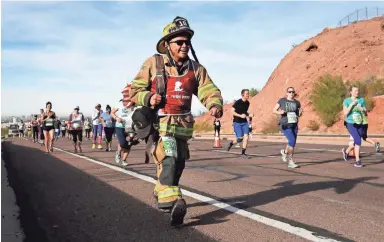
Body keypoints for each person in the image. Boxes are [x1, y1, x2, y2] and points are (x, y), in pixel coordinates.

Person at [128, 16, 223, 226]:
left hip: (183, 125)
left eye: (186, 42)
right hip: (159, 123)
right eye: (179, 42)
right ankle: (171, 202)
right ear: (167, 45)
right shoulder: (153, 63)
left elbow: (209, 89)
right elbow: (134, 91)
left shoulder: (196, 68)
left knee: (178, 163)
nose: (184, 45)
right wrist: (149, 98)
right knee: (169, 157)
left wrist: (215, 105)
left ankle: (162, 190)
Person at [273, 87, 302, 169]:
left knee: (292, 142)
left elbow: (298, 114)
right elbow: (274, 110)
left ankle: (285, 152)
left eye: (293, 92)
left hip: (294, 124)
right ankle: (290, 161)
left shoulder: (297, 102)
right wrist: (280, 112)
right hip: (285, 124)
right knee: (292, 141)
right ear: (287, 93)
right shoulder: (282, 100)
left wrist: (300, 113)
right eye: (289, 92)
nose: (291, 93)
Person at [341, 86, 367, 168]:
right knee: (358, 140)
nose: (357, 92)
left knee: (357, 141)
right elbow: (345, 113)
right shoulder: (347, 101)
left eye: (358, 91)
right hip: (350, 123)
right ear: (351, 92)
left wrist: (362, 109)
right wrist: (351, 105)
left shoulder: (361, 100)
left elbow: (366, 112)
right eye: (355, 91)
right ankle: (358, 161)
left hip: (359, 122)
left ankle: (346, 152)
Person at [111, 100, 138, 166]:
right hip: (120, 126)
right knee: (122, 143)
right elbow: (112, 113)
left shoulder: (134, 104)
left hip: (130, 127)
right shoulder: (118, 105)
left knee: (129, 143)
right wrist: (116, 118)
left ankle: (124, 160)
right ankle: (118, 152)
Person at [225, 89, 251, 158]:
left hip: (244, 122)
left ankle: (243, 153)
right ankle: (231, 143)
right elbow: (232, 111)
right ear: (243, 94)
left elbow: (244, 112)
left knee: (246, 137)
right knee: (240, 138)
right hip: (237, 122)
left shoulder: (247, 103)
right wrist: (240, 115)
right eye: (246, 94)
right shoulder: (238, 102)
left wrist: (248, 115)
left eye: (248, 93)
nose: (248, 95)